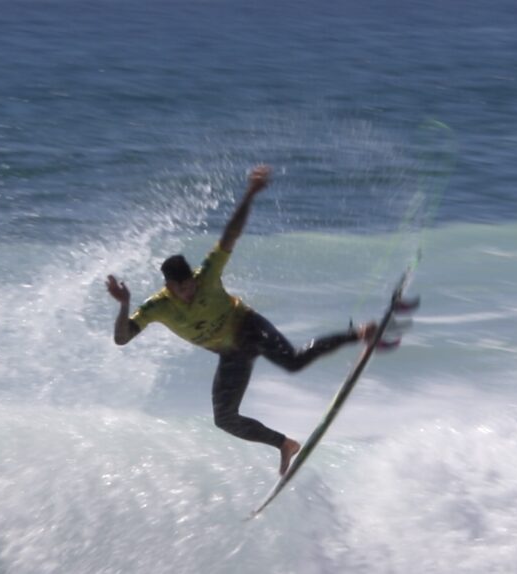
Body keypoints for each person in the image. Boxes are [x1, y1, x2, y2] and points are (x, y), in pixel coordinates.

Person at [106, 165, 375, 475]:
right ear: (168, 287)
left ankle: (359, 334)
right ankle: (285, 444)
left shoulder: (205, 275)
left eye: (191, 284)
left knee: (294, 362)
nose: (190, 291)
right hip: (231, 354)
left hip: (249, 327)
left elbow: (229, 235)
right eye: (182, 289)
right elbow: (122, 338)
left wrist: (250, 193)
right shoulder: (157, 307)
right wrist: (124, 304)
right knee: (225, 419)